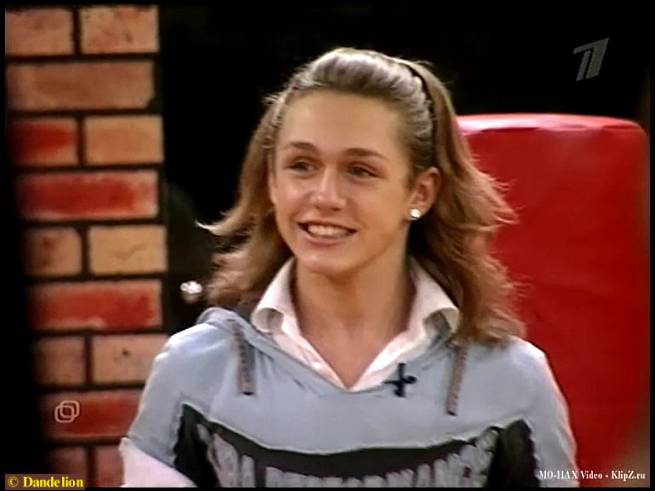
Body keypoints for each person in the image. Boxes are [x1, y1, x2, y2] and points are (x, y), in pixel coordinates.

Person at [119, 47, 578, 487]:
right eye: (301, 165)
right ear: (272, 182)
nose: (325, 196)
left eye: (359, 170)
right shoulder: (194, 371)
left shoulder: (510, 380)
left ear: (420, 193)